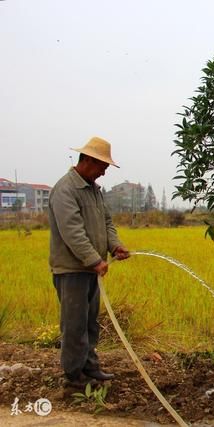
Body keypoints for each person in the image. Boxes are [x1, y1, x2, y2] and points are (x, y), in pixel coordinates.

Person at [48, 136, 130, 388]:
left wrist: (114, 246)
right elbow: (72, 231)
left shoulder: (94, 190)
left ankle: (90, 366)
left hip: (91, 270)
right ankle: (74, 376)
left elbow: (106, 223)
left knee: (89, 321)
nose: (104, 172)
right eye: (102, 167)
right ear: (89, 160)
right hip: (72, 270)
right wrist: (94, 260)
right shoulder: (65, 190)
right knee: (74, 324)